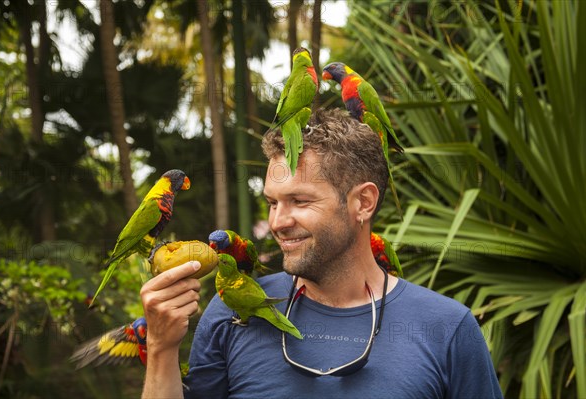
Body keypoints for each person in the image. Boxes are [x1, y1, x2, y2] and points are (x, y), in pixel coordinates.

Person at [140, 109, 503, 399]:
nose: (278, 222)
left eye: (299, 201)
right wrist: (160, 347)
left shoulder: (448, 329)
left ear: (363, 202)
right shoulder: (232, 310)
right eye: (272, 202)